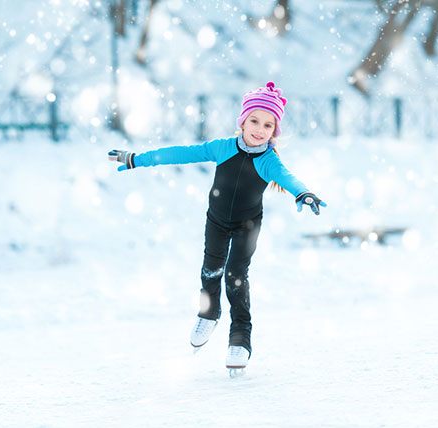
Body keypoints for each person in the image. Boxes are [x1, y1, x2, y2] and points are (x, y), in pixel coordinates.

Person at [108, 82, 326, 372]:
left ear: (274, 132)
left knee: (236, 276)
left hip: (247, 226)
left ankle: (239, 340)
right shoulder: (223, 148)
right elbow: (181, 153)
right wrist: (139, 159)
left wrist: (303, 193)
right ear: (243, 122)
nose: (259, 129)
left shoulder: (268, 161)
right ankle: (209, 315)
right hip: (218, 221)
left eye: (268, 125)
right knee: (210, 269)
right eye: (254, 121)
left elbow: (288, 178)